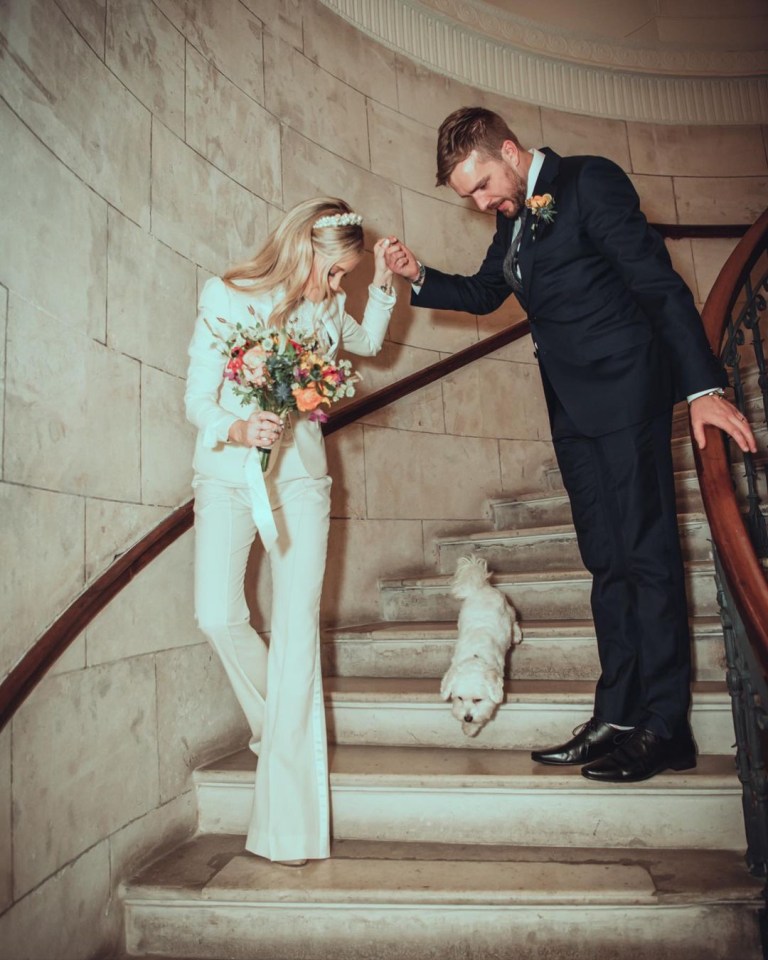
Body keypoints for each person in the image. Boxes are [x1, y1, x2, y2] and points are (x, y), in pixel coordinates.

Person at [384, 107, 757, 783]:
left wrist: (703, 386)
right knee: (605, 561)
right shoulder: (514, 220)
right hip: (572, 410)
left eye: (483, 184)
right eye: (468, 194)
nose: (480, 201)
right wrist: (419, 276)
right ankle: (617, 712)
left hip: (626, 392)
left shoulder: (589, 183)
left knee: (646, 557)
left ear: (509, 149)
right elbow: (484, 290)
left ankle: (666, 727)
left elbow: (656, 283)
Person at [185, 197, 395, 863]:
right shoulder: (225, 295)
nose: (338, 288)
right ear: (304, 247)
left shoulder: (327, 306)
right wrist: (238, 426)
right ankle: (278, 726)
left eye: (346, 278)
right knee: (218, 615)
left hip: (302, 479)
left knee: (297, 631)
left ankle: (292, 828)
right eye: (335, 272)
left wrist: (383, 289)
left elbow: (365, 344)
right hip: (228, 476)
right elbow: (196, 398)